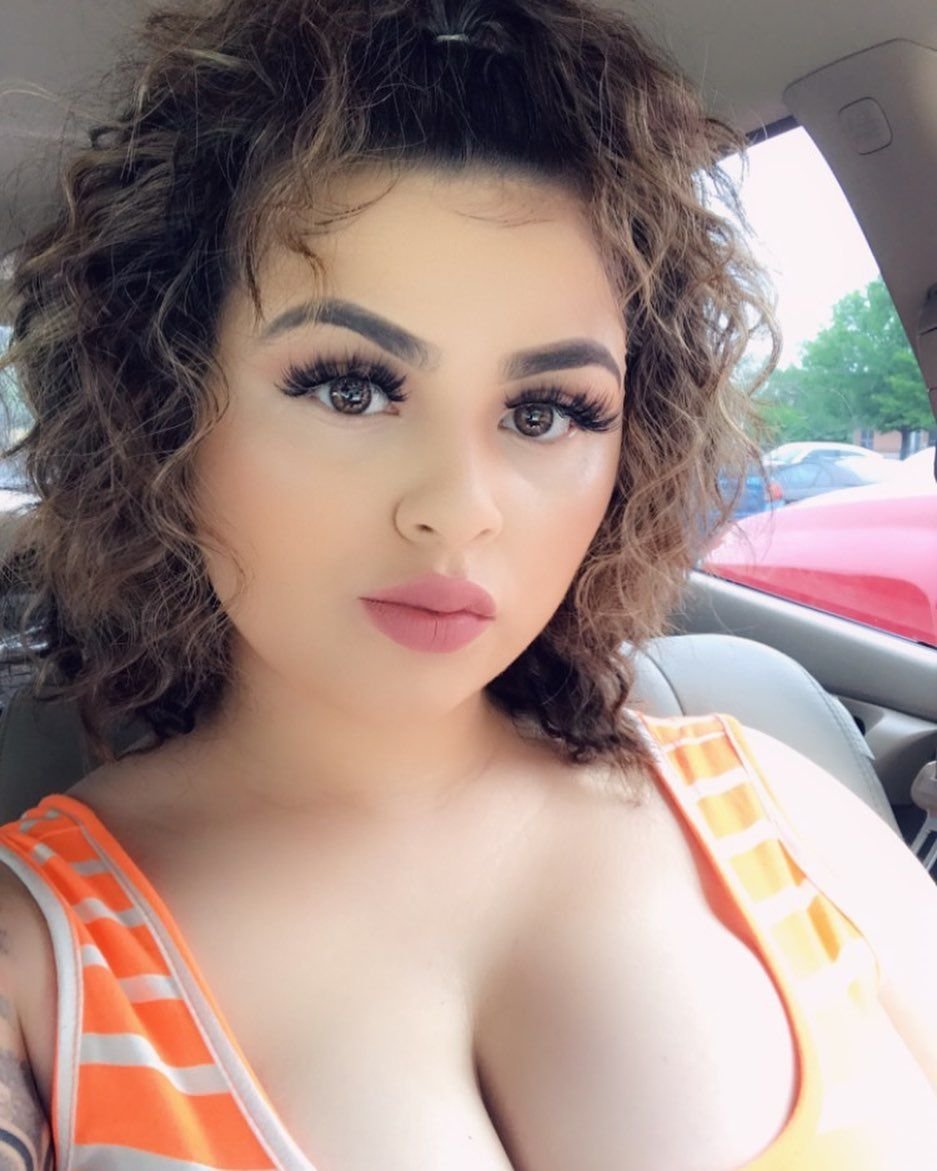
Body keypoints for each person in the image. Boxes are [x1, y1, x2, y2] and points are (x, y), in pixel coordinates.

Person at [0, 0, 935, 1168]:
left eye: (546, 410)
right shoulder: (33, 957)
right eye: (350, 388)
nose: (459, 504)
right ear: (166, 411)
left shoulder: (778, 814)